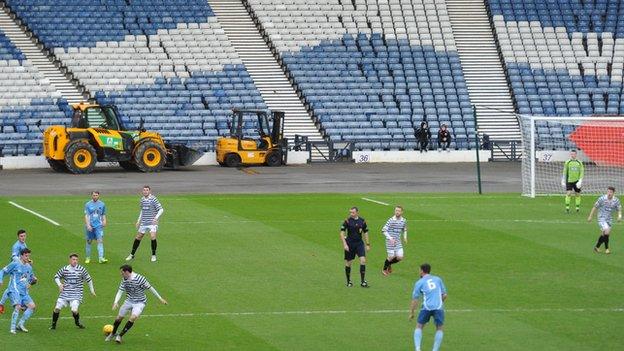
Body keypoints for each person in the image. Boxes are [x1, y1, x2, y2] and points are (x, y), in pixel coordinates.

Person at [106, 265, 167, 343]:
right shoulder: (124, 279)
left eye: (122, 272)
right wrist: (115, 302)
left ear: (127, 272)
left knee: (133, 317)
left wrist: (160, 298)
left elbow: (150, 288)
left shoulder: (140, 279)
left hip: (140, 302)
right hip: (129, 301)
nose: (121, 274)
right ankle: (113, 333)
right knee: (118, 318)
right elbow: (120, 291)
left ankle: (120, 336)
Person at [50, 253, 96, 330]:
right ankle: (53, 325)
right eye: (73, 259)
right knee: (57, 308)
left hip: (76, 293)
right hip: (65, 293)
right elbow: (56, 276)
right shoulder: (65, 269)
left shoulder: (81, 269)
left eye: (76, 260)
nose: (75, 261)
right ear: (70, 260)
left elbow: (89, 279)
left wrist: (92, 290)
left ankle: (77, 322)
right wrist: (60, 284)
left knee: (74, 310)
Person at [409, 263, 447, 351]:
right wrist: (438, 301)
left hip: (427, 307)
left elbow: (415, 300)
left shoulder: (419, 282)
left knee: (419, 326)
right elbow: (444, 295)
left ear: (422, 271)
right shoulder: (438, 279)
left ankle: (418, 349)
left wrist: (412, 313)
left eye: (419, 270)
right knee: (439, 328)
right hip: (439, 307)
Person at [0, 249, 37, 334]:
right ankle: (12, 328)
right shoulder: (15, 264)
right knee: (17, 306)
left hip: (24, 291)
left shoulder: (29, 267)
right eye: (26, 256)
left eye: (28, 256)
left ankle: (20, 324)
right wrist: (1, 280)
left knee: (32, 306)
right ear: (21, 256)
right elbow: (2, 271)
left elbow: (31, 278)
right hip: (14, 290)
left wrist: (33, 280)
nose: (28, 258)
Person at [126, 186, 164, 262]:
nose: (145, 191)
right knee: (138, 237)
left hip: (152, 222)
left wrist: (156, 218)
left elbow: (161, 209)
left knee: (153, 236)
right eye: (144, 190)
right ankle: (132, 254)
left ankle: (153, 255)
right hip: (144, 222)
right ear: (142, 191)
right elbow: (142, 211)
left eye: (147, 190)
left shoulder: (153, 199)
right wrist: (138, 221)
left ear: (150, 191)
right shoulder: (142, 199)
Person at [339, 207, 370, 287]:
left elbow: (365, 232)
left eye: (352, 212)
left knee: (363, 260)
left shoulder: (362, 221)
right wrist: (345, 244)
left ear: (357, 212)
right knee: (348, 263)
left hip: (359, 243)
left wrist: (367, 244)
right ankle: (348, 281)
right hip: (349, 244)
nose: (351, 214)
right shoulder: (347, 221)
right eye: (350, 212)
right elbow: (342, 233)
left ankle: (363, 281)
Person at [0, 229, 28, 314]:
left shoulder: (24, 244)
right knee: (11, 288)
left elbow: (24, 255)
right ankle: (1, 304)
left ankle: (22, 303)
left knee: (23, 284)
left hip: (22, 268)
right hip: (16, 269)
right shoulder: (16, 246)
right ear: (18, 237)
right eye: (21, 236)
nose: (23, 237)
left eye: (24, 236)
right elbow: (14, 257)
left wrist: (28, 261)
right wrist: (21, 262)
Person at [588, 186, 622, 254]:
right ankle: (607, 249)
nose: (609, 193)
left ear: (613, 193)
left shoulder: (616, 200)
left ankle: (596, 247)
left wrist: (619, 216)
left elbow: (619, 209)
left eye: (611, 192)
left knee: (604, 234)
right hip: (601, 218)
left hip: (609, 219)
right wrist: (590, 216)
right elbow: (595, 207)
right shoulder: (602, 198)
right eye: (608, 192)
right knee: (607, 231)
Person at [382, 206, 408, 276]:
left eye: (399, 211)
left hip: (398, 242)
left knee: (400, 257)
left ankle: (389, 264)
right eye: (396, 210)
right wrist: (390, 238)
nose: (397, 212)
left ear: (402, 212)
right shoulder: (391, 220)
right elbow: (383, 230)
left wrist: (405, 237)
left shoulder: (404, 221)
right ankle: (384, 269)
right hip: (390, 241)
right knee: (391, 256)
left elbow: (404, 229)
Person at [84, 191, 108, 264]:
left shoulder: (102, 204)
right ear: (91, 196)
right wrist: (88, 225)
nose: (95, 196)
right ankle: (88, 257)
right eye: (94, 195)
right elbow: (86, 215)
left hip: (98, 226)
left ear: (99, 196)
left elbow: (103, 214)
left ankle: (101, 258)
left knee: (100, 240)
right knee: (89, 241)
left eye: (96, 195)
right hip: (90, 225)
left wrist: (104, 221)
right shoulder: (88, 204)